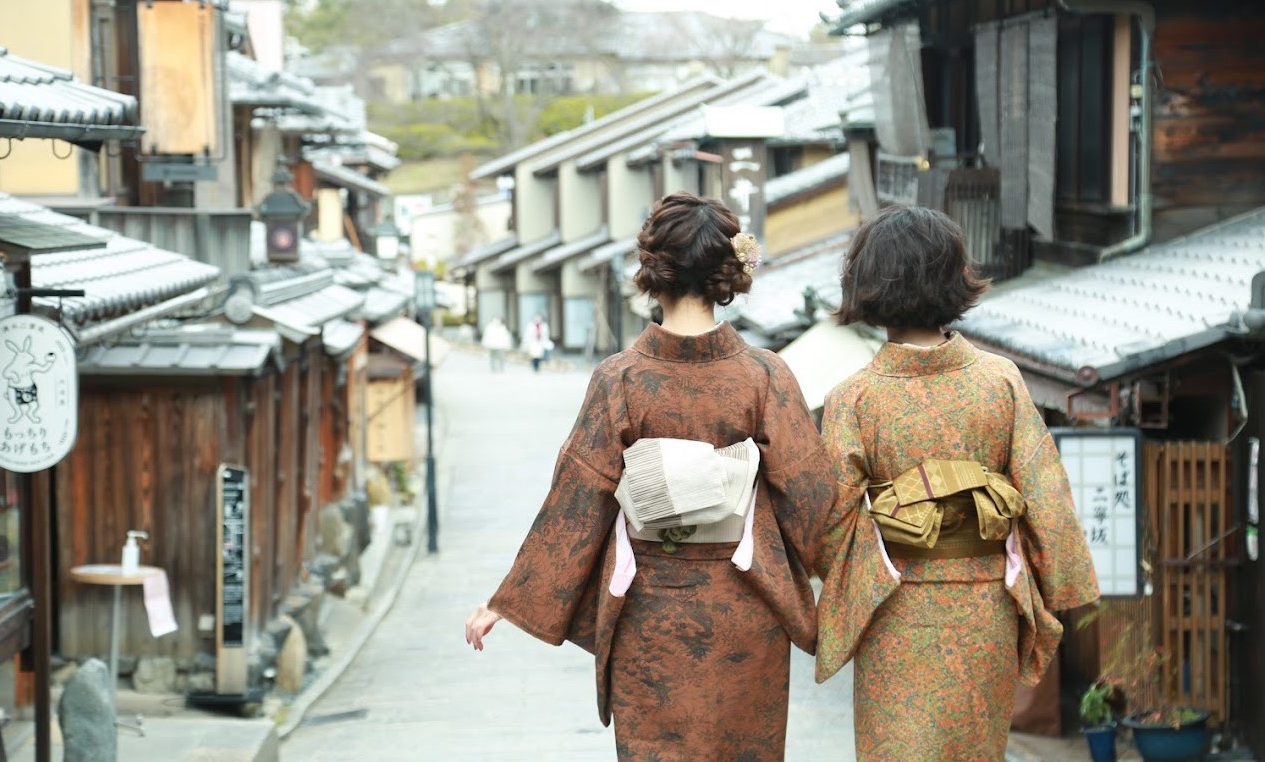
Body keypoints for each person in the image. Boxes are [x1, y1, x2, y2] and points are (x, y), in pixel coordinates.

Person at [465, 192, 834, 760]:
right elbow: (812, 498)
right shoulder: (765, 375)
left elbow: (578, 496)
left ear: (652, 272)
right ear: (726, 276)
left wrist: (508, 600)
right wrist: (858, 582)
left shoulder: (621, 379)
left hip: (650, 615)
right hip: (746, 610)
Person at [813, 205, 1100, 761]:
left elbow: (831, 524)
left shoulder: (856, 397)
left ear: (867, 284)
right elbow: (1044, 492)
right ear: (955, 280)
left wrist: (855, 574)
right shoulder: (1000, 380)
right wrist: (1064, 586)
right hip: (983, 608)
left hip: (893, 605)